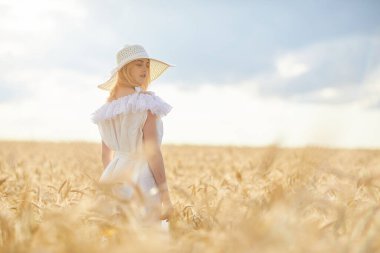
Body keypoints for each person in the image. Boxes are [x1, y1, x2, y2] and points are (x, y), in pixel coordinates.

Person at [90, 44, 175, 228]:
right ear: (126, 69)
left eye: (146, 64)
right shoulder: (146, 103)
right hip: (142, 182)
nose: (145, 69)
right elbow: (152, 153)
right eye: (139, 64)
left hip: (113, 177)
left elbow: (106, 156)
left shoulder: (107, 109)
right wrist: (165, 196)